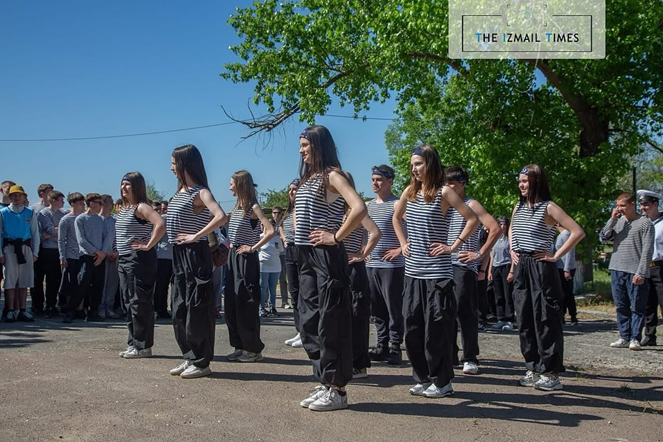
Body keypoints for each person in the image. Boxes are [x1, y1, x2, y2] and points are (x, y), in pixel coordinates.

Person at [393, 145, 479, 398]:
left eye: (418, 163)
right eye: (412, 164)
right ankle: (422, 378)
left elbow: (472, 219)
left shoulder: (444, 192)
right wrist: (403, 243)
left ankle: (442, 382)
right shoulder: (409, 192)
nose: (414, 168)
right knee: (412, 330)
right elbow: (396, 218)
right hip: (413, 273)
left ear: (430, 164)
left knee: (436, 331)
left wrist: (453, 246)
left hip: (438, 274)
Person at [296, 125, 367, 411]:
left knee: (331, 322)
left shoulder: (333, 175)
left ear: (319, 146)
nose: (301, 150)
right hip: (305, 255)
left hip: (326, 255)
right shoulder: (308, 178)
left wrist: (336, 236)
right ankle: (325, 381)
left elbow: (359, 207)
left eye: (305, 145)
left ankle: (338, 389)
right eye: (301, 145)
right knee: (308, 320)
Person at [510, 164, 585, 391]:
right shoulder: (518, 206)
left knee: (545, 319)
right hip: (522, 265)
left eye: (525, 181)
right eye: (520, 181)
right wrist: (513, 248)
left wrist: (556, 255)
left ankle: (550, 373)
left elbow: (577, 232)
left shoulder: (548, 207)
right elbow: (512, 228)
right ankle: (533, 368)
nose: (521, 185)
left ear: (537, 182)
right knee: (524, 319)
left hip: (541, 266)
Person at [167, 144, 227, 379]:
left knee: (197, 308)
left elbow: (221, 216)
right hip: (178, 255)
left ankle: (202, 362)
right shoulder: (178, 193)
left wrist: (196, 235)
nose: (171, 168)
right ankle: (189, 356)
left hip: (195, 254)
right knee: (179, 309)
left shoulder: (200, 192)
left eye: (174, 163)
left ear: (185, 164)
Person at [445, 166, 500, 376]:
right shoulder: (444, 204)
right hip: (443, 265)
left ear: (462, 184)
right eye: (446, 183)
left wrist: (479, 253)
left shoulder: (471, 204)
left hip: (463, 265)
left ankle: (469, 357)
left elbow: (495, 228)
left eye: (452, 183)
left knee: (465, 312)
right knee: (445, 311)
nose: (448, 187)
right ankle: (450, 354)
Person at [116, 172, 166, 359]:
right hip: (124, 258)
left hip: (138, 259)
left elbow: (160, 223)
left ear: (137, 186)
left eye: (128, 184)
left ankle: (142, 346)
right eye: (122, 184)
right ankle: (134, 343)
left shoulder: (141, 207)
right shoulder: (124, 209)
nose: (124, 187)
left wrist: (148, 245)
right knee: (129, 302)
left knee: (139, 302)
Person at [225, 170, 274, 362]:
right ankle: (240, 345)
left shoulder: (253, 207)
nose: (229, 187)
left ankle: (253, 349)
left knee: (246, 302)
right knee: (232, 302)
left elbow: (270, 230)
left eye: (232, 184)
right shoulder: (237, 207)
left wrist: (253, 247)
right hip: (233, 256)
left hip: (246, 258)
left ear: (240, 185)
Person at [600, 192, 654, 351]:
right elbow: (603, 238)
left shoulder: (645, 224)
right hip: (617, 267)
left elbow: (647, 250)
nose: (619, 208)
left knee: (637, 306)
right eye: (617, 205)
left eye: (622, 205)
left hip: (634, 270)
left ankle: (635, 338)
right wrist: (612, 219)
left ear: (632, 204)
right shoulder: (619, 222)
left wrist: (641, 272)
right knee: (621, 305)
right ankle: (624, 336)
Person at [365, 164, 406, 365]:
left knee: (394, 308)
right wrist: (363, 251)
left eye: (379, 180)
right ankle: (381, 346)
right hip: (371, 264)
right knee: (377, 308)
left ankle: (395, 347)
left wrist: (400, 249)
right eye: (373, 179)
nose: (375, 183)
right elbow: (363, 231)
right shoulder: (368, 205)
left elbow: (416, 229)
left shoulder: (398, 204)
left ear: (390, 181)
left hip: (392, 266)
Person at [342, 172, 381, 379]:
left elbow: (375, 232)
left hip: (353, 269)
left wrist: (362, 255)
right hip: (337, 268)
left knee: (357, 317)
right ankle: (344, 361)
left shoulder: (354, 209)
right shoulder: (336, 209)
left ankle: (359, 364)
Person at [63, 193, 113, 323]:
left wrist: (102, 254)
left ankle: (93, 311)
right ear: (91, 204)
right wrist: (96, 252)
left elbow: (107, 237)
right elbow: (82, 240)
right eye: (99, 203)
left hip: (100, 258)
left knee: (98, 285)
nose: (101, 206)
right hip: (86, 256)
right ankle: (71, 311)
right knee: (82, 284)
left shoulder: (102, 220)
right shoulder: (80, 219)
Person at [0, 185, 40, 322]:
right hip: (10, 248)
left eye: (19, 195)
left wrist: (35, 253)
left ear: (24, 197)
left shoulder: (30, 212)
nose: (17, 198)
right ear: (10, 197)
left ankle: (22, 310)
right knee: (10, 281)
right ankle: (10, 310)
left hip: (25, 248)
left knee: (24, 281)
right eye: (14, 195)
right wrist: (0, 254)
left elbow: (35, 233)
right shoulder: (3, 213)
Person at [36, 190, 67, 317]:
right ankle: (47, 306)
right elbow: (49, 229)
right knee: (48, 279)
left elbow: (66, 230)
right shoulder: (44, 213)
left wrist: (54, 232)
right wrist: (58, 230)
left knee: (56, 280)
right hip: (48, 250)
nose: (63, 203)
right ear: (53, 201)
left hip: (59, 249)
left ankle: (54, 304)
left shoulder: (63, 214)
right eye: (61, 200)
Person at [638, 189, 663, 347]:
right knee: (648, 303)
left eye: (646, 204)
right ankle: (649, 335)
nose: (643, 208)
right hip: (646, 266)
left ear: (655, 204)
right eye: (641, 204)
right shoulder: (642, 223)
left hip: (661, 266)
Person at [280, 179, 302, 347]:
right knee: (293, 291)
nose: (291, 192)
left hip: (301, 250)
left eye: (295, 189)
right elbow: (280, 225)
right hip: (290, 250)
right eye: (290, 189)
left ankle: (307, 331)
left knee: (304, 292)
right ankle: (299, 330)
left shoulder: (302, 208)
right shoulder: (289, 211)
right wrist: (284, 238)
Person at [58, 192, 85, 320]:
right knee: (70, 283)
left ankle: (80, 308)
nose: (83, 205)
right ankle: (70, 308)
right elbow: (61, 239)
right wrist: (62, 256)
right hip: (70, 255)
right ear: (72, 204)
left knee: (82, 283)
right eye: (80, 203)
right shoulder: (66, 220)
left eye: (83, 203)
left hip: (83, 254)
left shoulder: (84, 218)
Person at [488, 217, 516, 330]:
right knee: (498, 294)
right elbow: (492, 255)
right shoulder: (496, 238)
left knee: (507, 294)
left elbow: (514, 256)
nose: (502, 226)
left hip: (506, 266)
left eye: (504, 224)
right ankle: (501, 318)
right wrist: (489, 271)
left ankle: (509, 319)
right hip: (496, 267)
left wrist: (511, 271)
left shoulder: (510, 238)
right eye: (500, 224)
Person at [100, 194, 121, 319]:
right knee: (101, 283)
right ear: (102, 203)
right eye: (110, 202)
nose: (112, 204)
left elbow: (119, 238)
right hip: (101, 256)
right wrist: (105, 253)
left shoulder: (115, 221)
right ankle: (100, 308)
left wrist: (116, 252)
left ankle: (109, 307)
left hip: (114, 256)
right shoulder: (97, 220)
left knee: (112, 283)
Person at [554, 224, 578, 325]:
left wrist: (567, 269)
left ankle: (573, 316)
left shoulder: (566, 234)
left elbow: (569, 252)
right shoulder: (559, 236)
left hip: (565, 268)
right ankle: (562, 315)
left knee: (567, 293)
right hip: (559, 267)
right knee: (561, 292)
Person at [258, 223, 283, 317]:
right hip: (263, 265)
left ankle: (272, 307)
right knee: (262, 287)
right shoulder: (260, 237)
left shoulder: (277, 238)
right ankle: (261, 308)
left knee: (272, 288)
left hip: (275, 266)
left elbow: (280, 250)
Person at [154, 202, 173, 319]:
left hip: (171, 256)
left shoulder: (173, 219)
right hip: (162, 255)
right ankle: (156, 308)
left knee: (166, 285)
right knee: (160, 284)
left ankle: (163, 309)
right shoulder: (163, 219)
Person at [271, 206, 290, 308]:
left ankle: (285, 301)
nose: (276, 215)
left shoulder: (284, 224)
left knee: (283, 279)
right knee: (269, 279)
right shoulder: (269, 224)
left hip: (282, 254)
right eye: (274, 213)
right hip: (271, 254)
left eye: (278, 213)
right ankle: (266, 301)